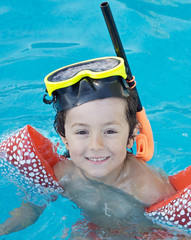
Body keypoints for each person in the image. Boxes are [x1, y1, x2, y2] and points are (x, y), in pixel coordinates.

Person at [0, 56, 176, 237]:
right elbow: (32, 208)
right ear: (65, 139)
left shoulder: (150, 189)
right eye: (82, 132)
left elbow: (177, 232)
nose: (96, 145)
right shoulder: (63, 174)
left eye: (110, 131)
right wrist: (4, 229)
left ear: (131, 137)